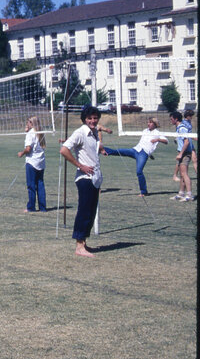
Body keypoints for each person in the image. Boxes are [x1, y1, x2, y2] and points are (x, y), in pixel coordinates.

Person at [60, 105, 104, 257]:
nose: (93, 120)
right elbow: (64, 150)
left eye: (95, 118)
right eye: (90, 118)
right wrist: (80, 165)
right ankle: (79, 246)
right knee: (84, 211)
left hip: (95, 178)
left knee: (91, 212)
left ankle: (83, 242)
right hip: (84, 178)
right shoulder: (80, 132)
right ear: (84, 119)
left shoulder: (94, 133)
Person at [101, 117, 168, 197]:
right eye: (148, 122)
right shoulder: (145, 131)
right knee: (119, 151)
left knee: (139, 171)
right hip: (136, 150)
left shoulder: (157, 133)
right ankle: (102, 150)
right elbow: (145, 143)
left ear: (155, 124)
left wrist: (157, 140)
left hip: (143, 153)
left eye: (150, 122)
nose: (148, 124)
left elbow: (166, 141)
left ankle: (144, 192)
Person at [17, 116, 47, 212]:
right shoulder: (40, 132)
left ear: (32, 123)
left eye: (29, 121)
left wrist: (22, 153)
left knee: (31, 185)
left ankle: (31, 207)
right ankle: (42, 208)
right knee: (40, 184)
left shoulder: (31, 133)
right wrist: (27, 130)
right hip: (41, 162)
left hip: (32, 162)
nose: (27, 123)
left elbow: (28, 148)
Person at [170, 110, 195, 202]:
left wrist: (180, 154)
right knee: (182, 174)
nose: (171, 121)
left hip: (185, 153)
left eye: (171, 119)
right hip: (181, 152)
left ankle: (189, 195)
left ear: (176, 119)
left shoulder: (182, 128)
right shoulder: (178, 128)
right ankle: (181, 193)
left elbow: (187, 142)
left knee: (185, 174)